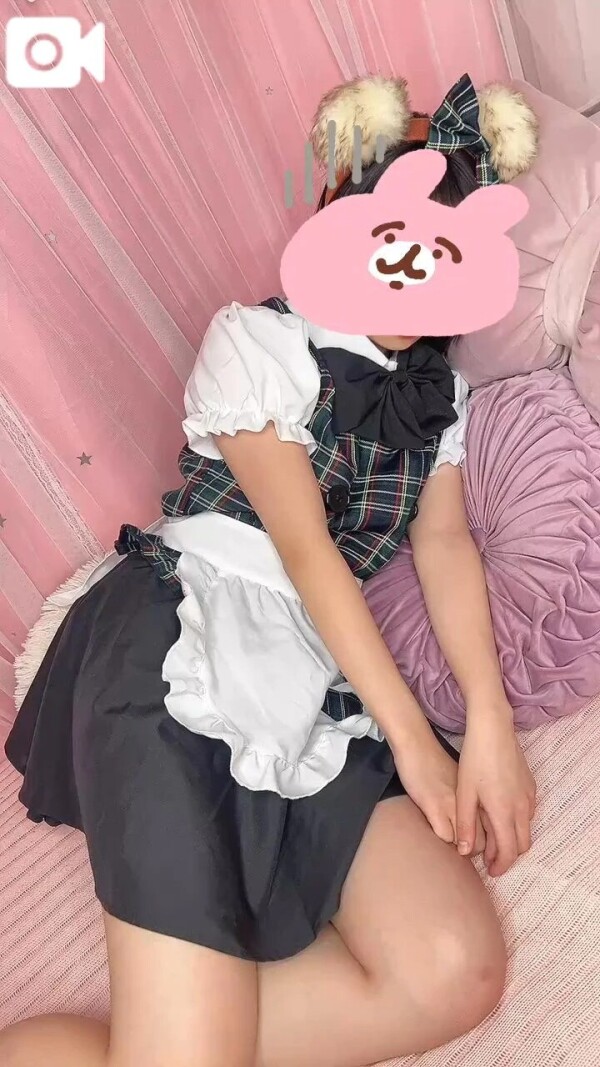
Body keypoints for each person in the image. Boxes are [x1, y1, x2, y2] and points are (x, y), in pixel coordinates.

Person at [2, 73, 539, 1067]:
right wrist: (418, 743)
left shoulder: (441, 398)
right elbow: (302, 549)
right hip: (182, 638)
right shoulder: (259, 341)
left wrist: (492, 723)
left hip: (320, 673)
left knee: (454, 970)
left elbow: (445, 544)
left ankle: (171, 1038)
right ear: (342, 215)